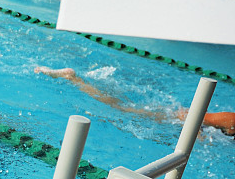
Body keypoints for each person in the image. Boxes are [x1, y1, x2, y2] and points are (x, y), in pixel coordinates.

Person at [34, 66, 235, 136]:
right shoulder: (232, 120)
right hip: (170, 118)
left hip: (175, 125)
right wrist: (195, 137)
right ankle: (73, 78)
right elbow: (189, 115)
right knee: (119, 108)